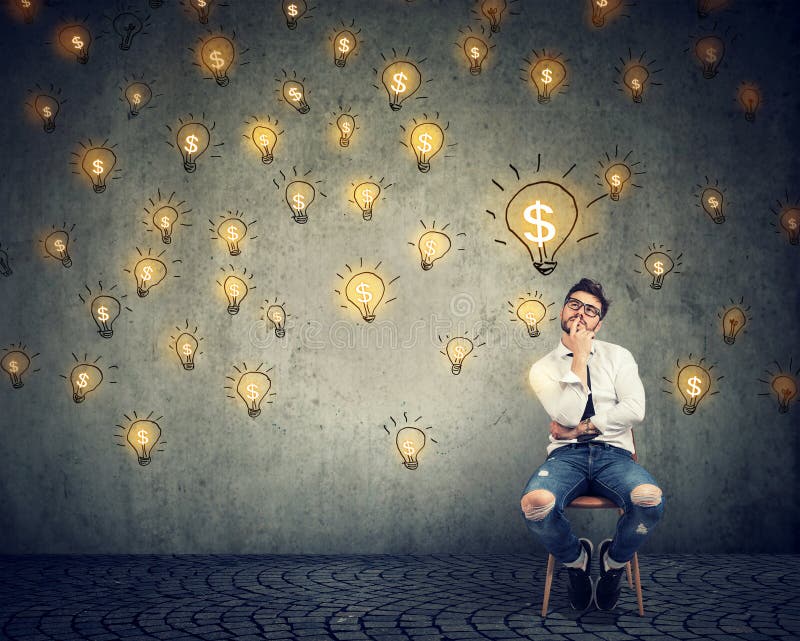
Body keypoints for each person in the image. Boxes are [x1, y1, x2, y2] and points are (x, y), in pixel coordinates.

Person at [520, 278, 664, 612]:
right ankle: (576, 560)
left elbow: (635, 409)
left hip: (613, 455)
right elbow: (566, 415)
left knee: (650, 500)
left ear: (599, 322)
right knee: (535, 506)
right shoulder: (542, 368)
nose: (581, 314)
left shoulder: (619, 356)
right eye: (574, 304)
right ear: (562, 310)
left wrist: (583, 428)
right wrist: (580, 359)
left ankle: (613, 563)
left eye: (591, 310)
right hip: (565, 457)